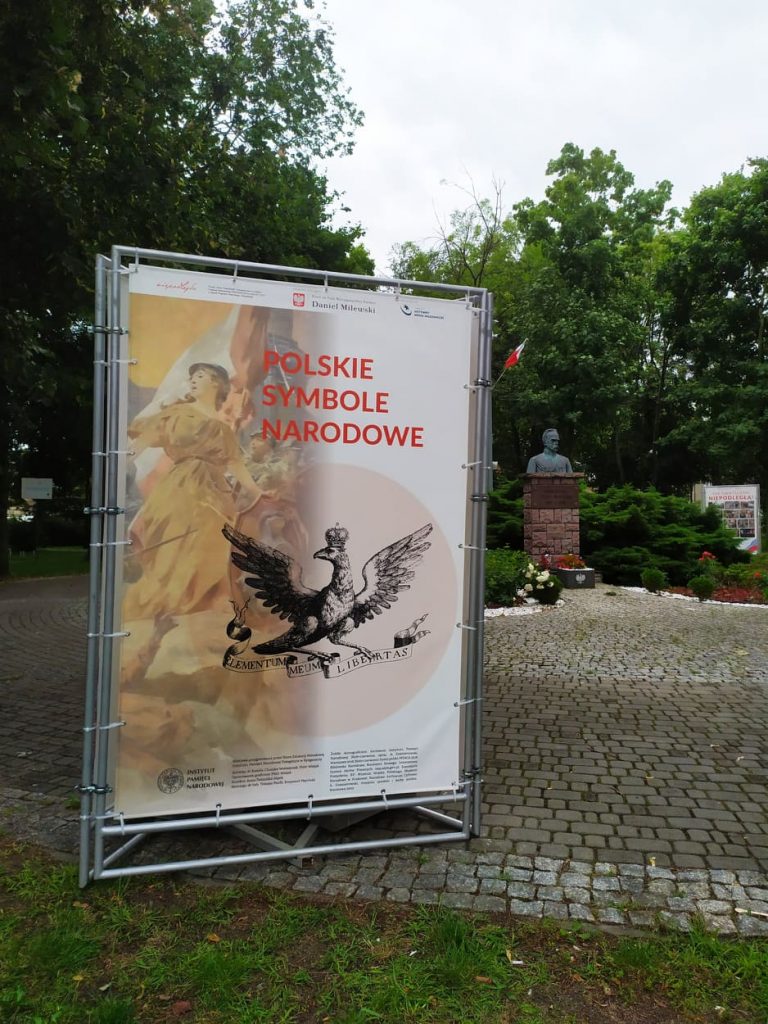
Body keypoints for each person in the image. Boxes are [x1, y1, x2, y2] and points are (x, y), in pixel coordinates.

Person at [124, 363, 261, 620]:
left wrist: (258, 493)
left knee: (216, 540)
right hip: (179, 487)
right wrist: (118, 464)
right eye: (192, 376)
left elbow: (236, 464)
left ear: (216, 382)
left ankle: (206, 603)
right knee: (173, 540)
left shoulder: (222, 428)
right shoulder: (176, 414)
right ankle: (170, 603)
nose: (193, 380)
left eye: (200, 375)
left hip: (215, 491)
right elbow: (141, 443)